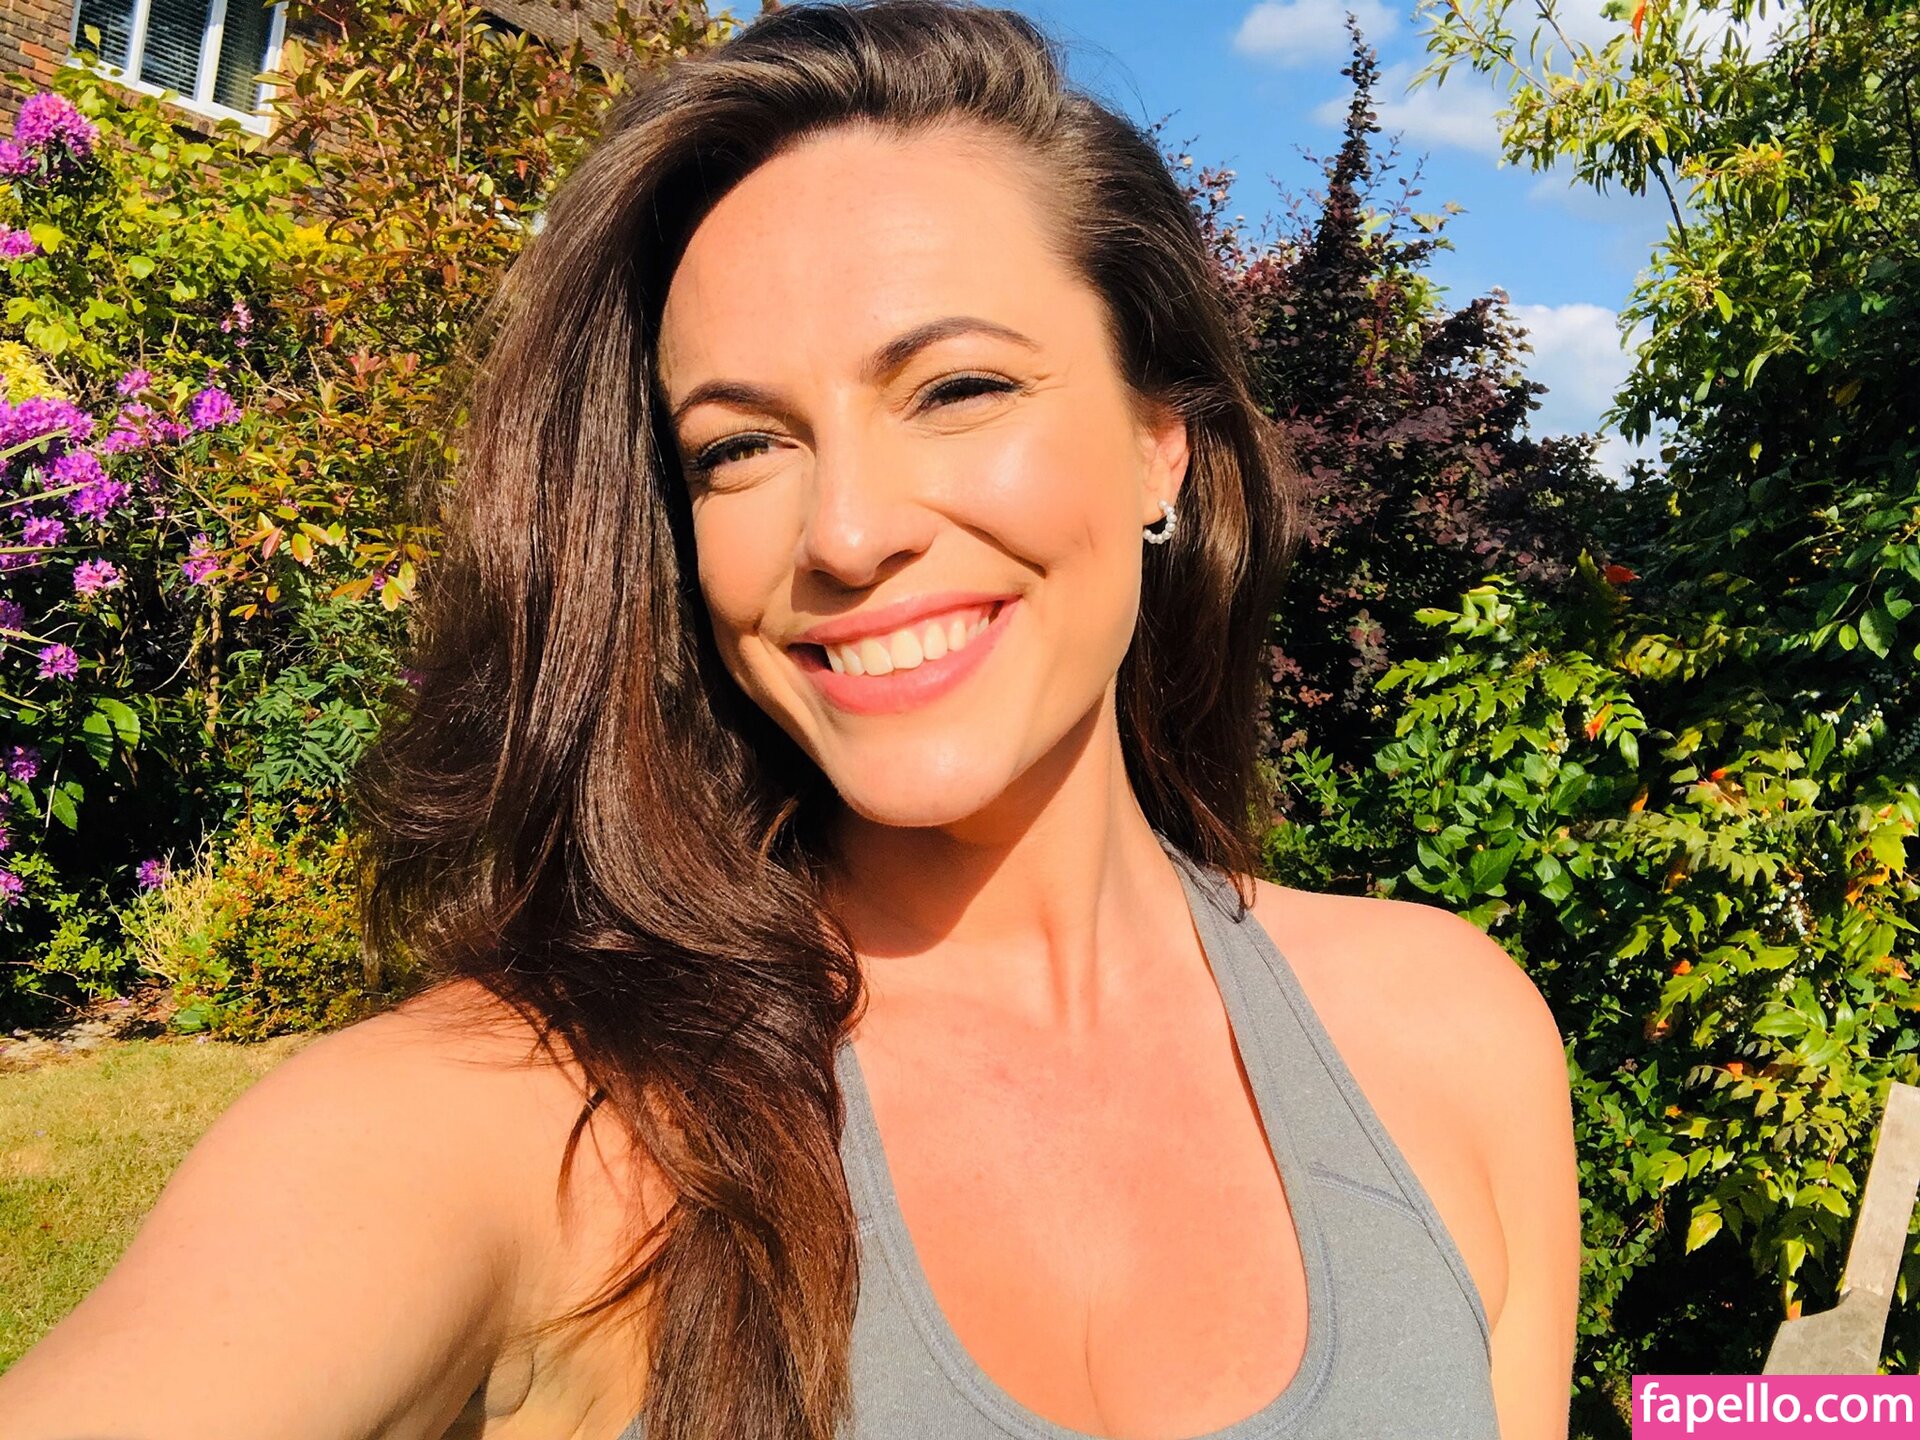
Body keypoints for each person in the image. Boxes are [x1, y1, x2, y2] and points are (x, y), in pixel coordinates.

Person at [0, 2, 1581, 1437]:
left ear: (1159, 443)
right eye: (739, 449)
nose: (844, 533)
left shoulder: (1447, 1041)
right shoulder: (537, 1128)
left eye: (957, 389)